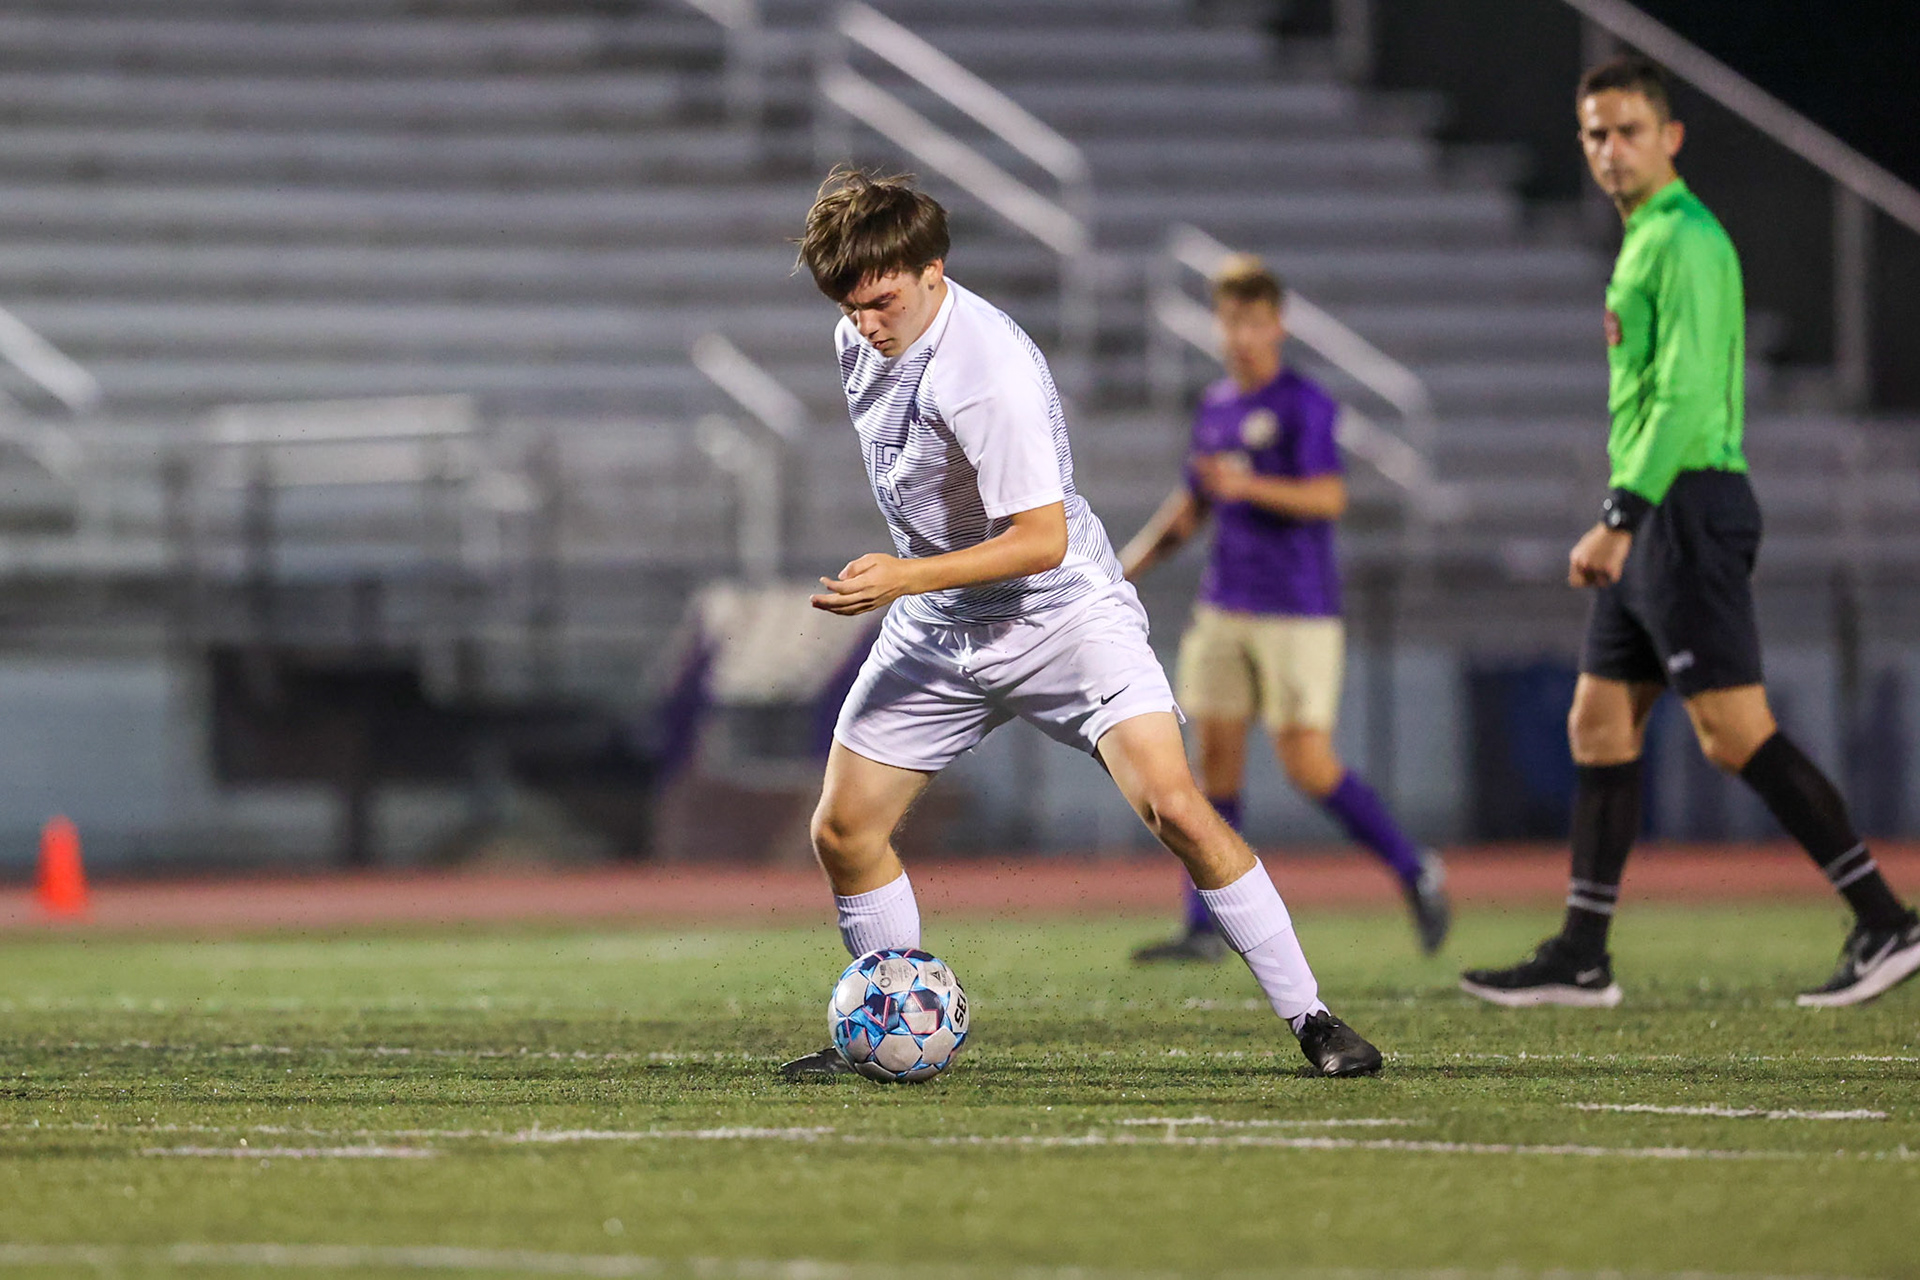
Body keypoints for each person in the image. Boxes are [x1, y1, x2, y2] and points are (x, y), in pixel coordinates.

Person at [779, 169, 1382, 1079]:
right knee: (843, 830)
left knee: (1177, 807)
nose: (865, 321)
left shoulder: (986, 372)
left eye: (881, 299)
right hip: (944, 623)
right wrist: (920, 587)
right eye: (849, 304)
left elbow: (1043, 541)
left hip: (1061, 616)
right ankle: (886, 1029)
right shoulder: (861, 331)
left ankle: (1314, 1019)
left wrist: (904, 576)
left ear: (932, 269)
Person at [1459, 56, 1920, 1009]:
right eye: (1595, 133)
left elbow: (1684, 396)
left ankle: (1886, 919)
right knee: (1598, 722)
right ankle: (1583, 954)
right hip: (1653, 508)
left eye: (1629, 130)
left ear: (1671, 137)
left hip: (1685, 508)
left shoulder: (1686, 239)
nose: (1610, 149)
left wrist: (1621, 519)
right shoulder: (1642, 241)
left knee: (1732, 730)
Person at [1119, 254, 1450, 962]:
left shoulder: (1305, 404)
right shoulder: (1214, 407)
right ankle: (1203, 928)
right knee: (1212, 768)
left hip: (1298, 609)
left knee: (1307, 765)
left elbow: (1328, 498)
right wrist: (1123, 570)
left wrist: (1249, 490)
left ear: (1278, 325)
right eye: (1231, 320)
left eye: (1254, 321)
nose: (1241, 335)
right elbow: (1191, 508)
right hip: (1224, 606)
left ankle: (1413, 868)